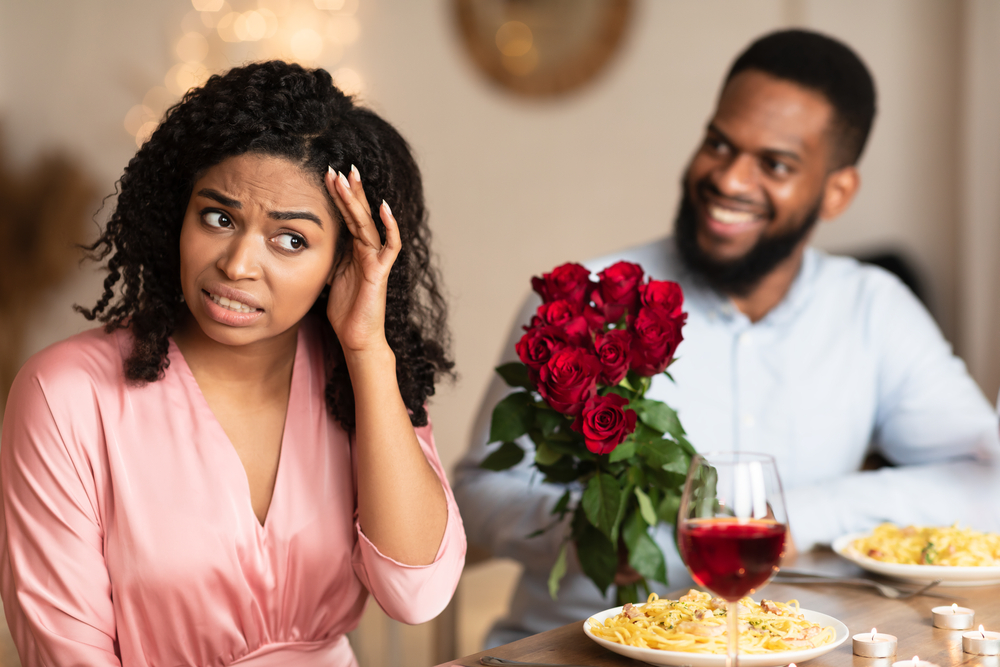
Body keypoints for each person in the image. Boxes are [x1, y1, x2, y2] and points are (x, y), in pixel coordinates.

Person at [454, 29, 1000, 647]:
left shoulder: (873, 309)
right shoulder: (584, 300)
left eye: (775, 164)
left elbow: (987, 482)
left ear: (837, 191)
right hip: (567, 647)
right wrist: (589, 534)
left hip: (778, 650)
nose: (729, 179)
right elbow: (471, 503)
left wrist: (806, 512)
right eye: (719, 143)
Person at [0, 61, 465, 666]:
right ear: (178, 215)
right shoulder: (64, 394)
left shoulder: (362, 380)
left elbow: (416, 592)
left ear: (343, 260)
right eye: (218, 217)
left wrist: (367, 351)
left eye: (290, 239)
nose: (238, 264)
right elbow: (67, 652)